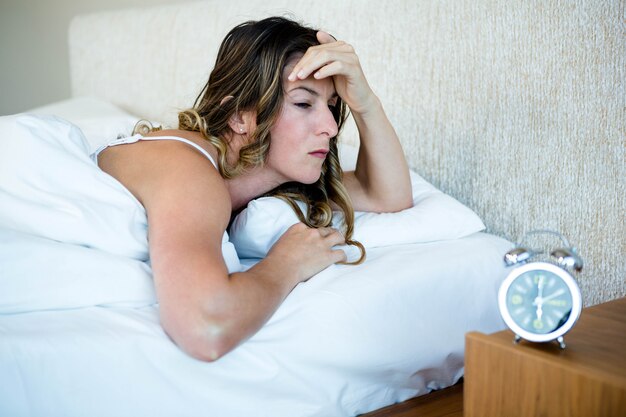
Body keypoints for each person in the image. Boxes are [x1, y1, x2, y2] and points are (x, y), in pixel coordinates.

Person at [95, 16, 412, 361]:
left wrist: (364, 101)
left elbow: (387, 195)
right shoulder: (188, 170)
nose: (330, 128)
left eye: (333, 106)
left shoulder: (263, 177)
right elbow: (205, 330)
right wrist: (286, 264)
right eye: (304, 104)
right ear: (239, 116)